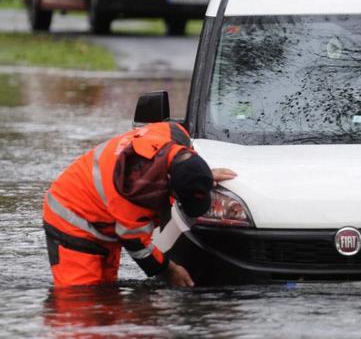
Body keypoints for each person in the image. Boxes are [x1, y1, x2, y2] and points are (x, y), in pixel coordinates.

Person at [42, 120, 236, 287]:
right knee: (81, 302)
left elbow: (185, 163)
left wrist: (201, 176)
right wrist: (170, 270)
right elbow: (138, 246)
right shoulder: (135, 190)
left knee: (107, 293)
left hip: (103, 214)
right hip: (70, 219)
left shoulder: (174, 133)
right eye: (180, 197)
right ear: (170, 182)